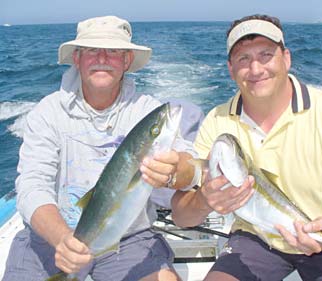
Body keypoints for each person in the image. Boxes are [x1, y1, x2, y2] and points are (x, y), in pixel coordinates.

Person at [3, 15, 200, 281]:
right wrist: (63, 239)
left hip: (128, 237)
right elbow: (31, 185)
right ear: (77, 59)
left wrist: (178, 169)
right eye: (92, 50)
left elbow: (191, 165)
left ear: (127, 61)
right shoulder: (47, 113)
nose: (102, 58)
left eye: (114, 51)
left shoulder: (147, 112)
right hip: (51, 236)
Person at [171, 14, 322, 281]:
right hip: (256, 236)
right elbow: (181, 216)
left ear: (286, 58)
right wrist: (204, 200)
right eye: (243, 59)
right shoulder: (217, 121)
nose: (256, 69)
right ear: (230, 68)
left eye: (266, 55)